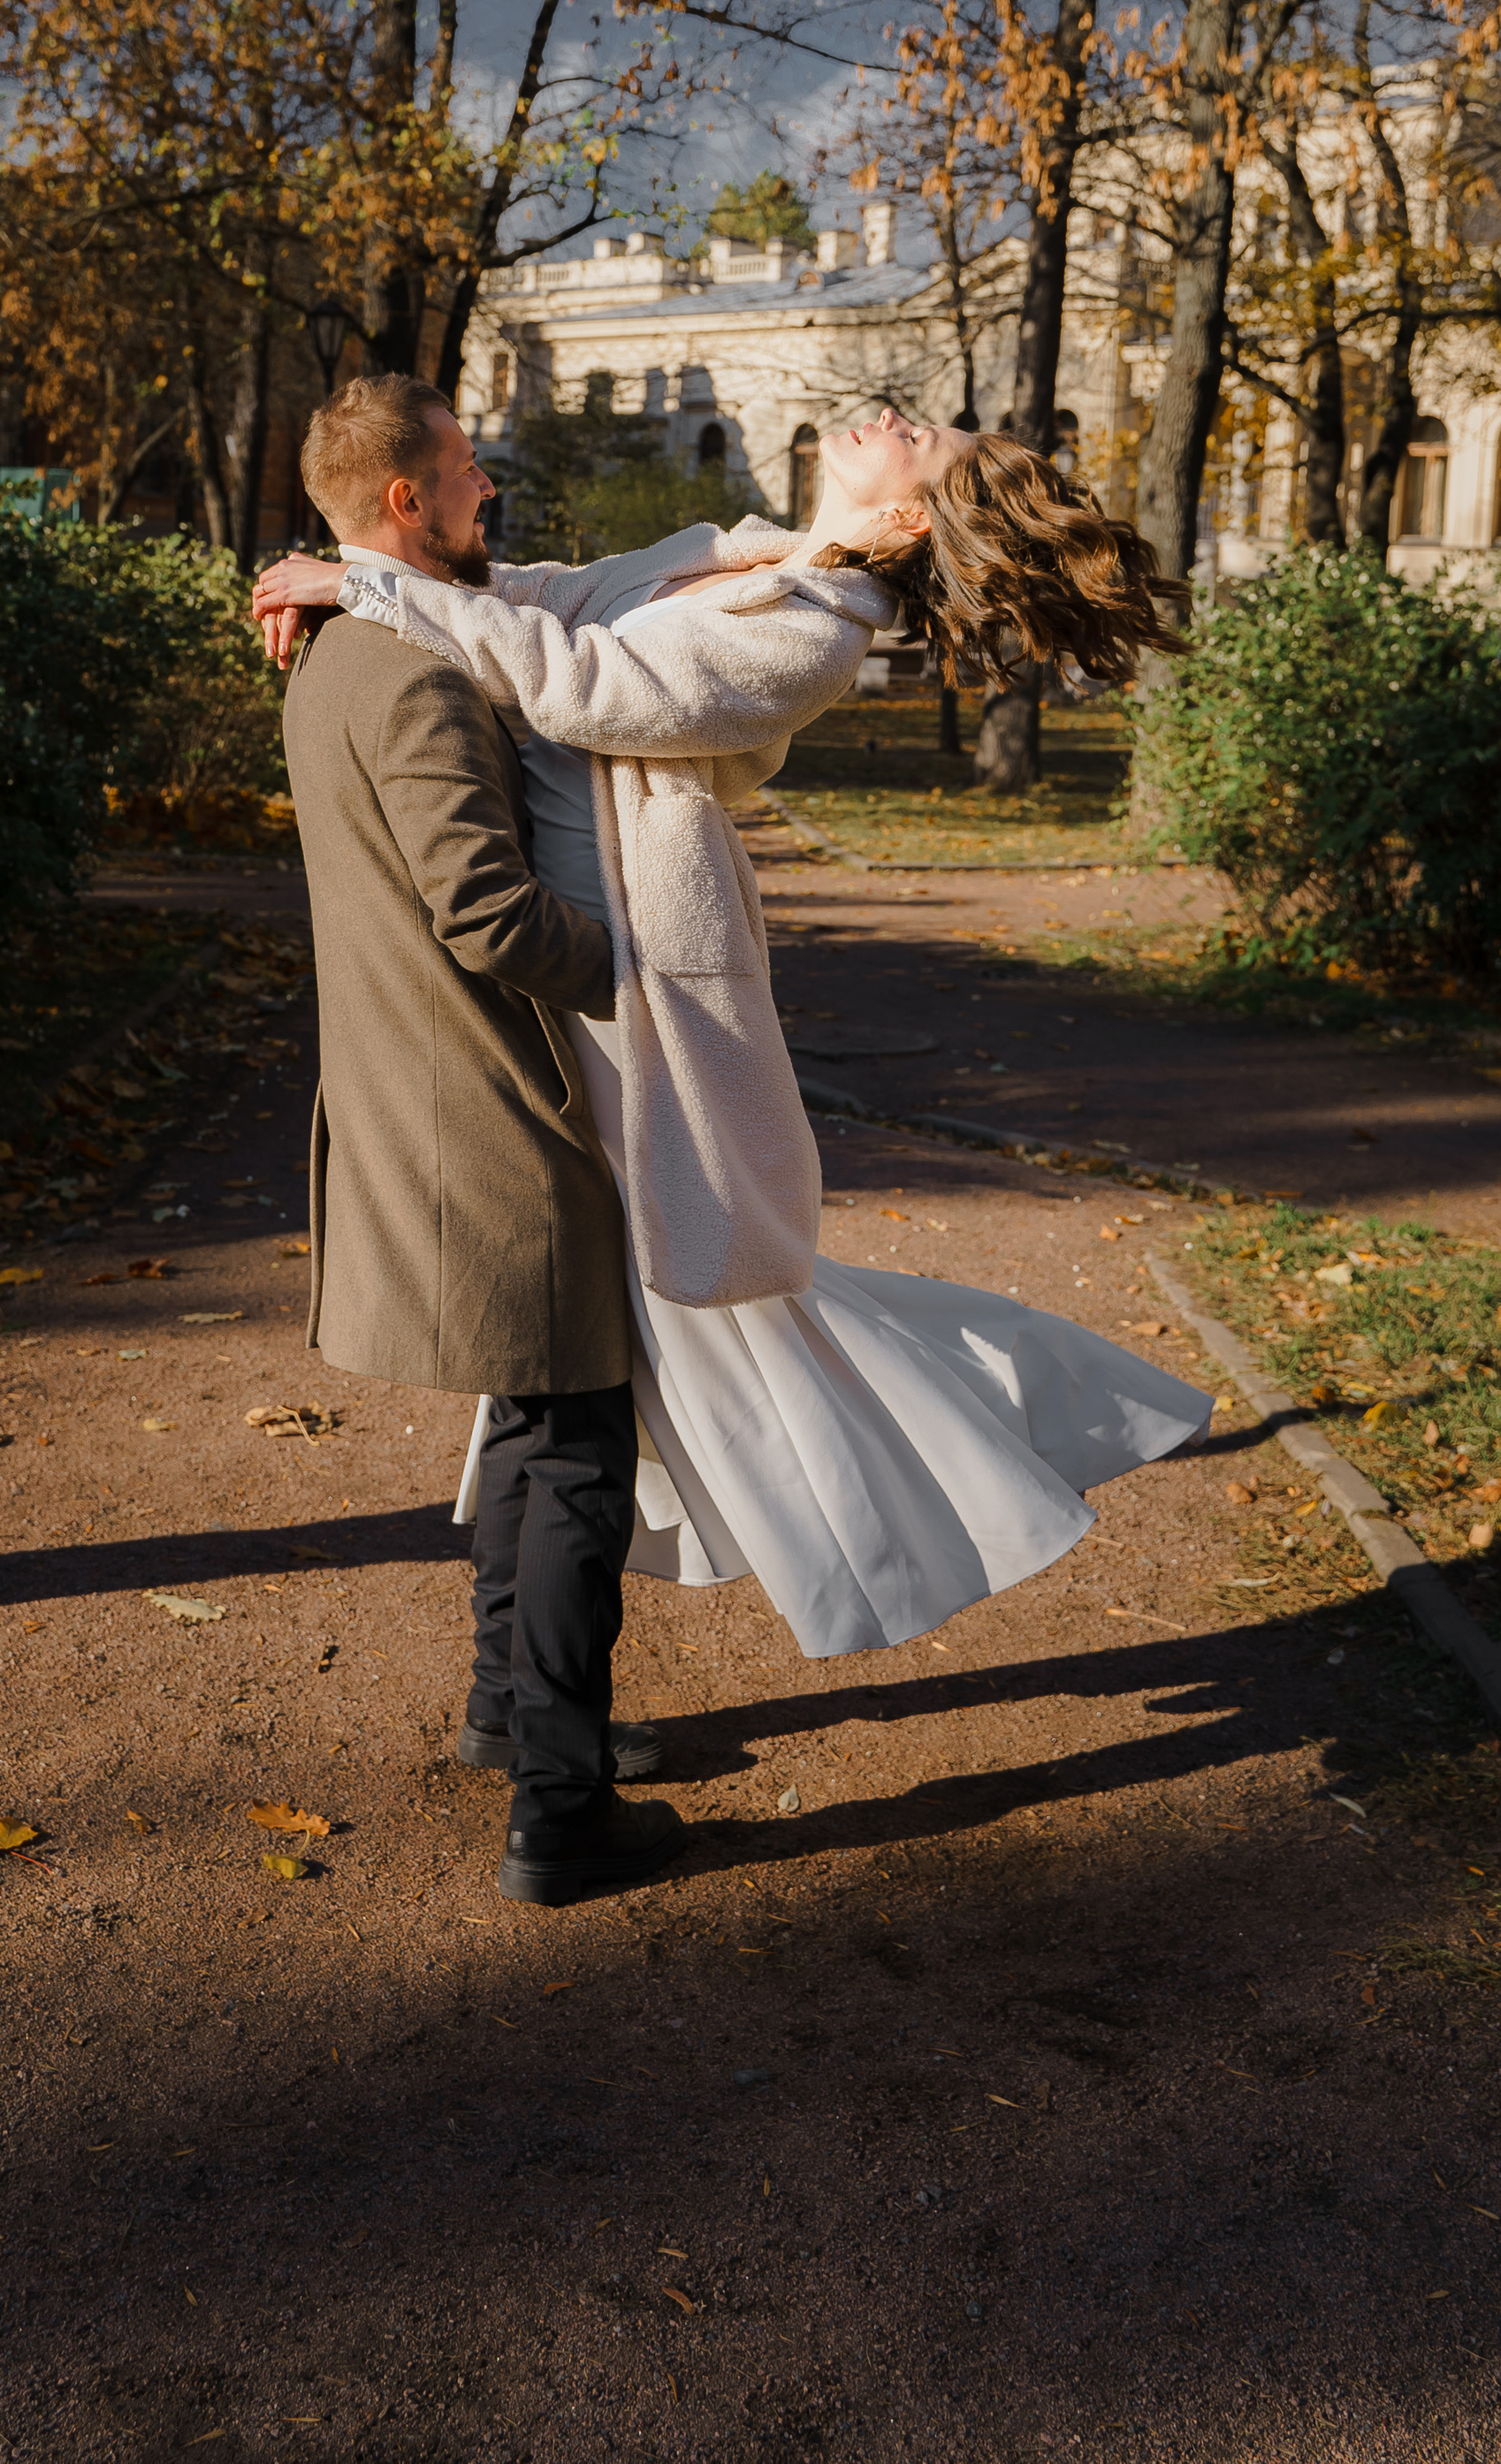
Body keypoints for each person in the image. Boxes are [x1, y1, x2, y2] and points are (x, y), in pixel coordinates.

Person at [255, 388, 1213, 1662]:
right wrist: (341, 567)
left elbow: (574, 675)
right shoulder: (773, 568)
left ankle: (922, 1506)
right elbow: (559, 588)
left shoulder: (819, 628)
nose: (893, 413)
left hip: (632, 1009)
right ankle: (540, 1719)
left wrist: (369, 590)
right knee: (598, 1368)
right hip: (580, 999)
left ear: (911, 505)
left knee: (663, 1349)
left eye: (916, 432)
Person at [278, 373, 685, 1907]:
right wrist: (645, 961)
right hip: (490, 1113)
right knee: (580, 1437)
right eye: (463, 474)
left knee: (530, 1417)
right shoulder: (417, 674)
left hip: (416, 1096)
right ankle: (560, 1812)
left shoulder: (328, 652)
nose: (485, 493)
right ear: (405, 503)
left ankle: (507, 1715)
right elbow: (487, 912)